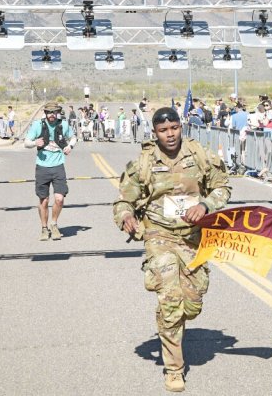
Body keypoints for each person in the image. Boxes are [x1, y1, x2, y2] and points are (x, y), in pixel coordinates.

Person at [112, 107, 231, 392]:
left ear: (181, 127)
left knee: (192, 302)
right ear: (155, 133)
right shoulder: (143, 163)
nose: (170, 134)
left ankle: (176, 316)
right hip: (159, 234)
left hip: (193, 237)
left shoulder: (199, 155)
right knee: (171, 300)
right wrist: (126, 217)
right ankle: (174, 368)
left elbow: (222, 187)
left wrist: (205, 205)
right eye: (164, 130)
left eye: (174, 128)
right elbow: (123, 201)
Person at [24, 102, 77, 241]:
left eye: (54, 112)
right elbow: (26, 142)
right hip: (42, 167)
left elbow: (73, 137)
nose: (52, 115)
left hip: (58, 166)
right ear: (46, 113)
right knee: (44, 200)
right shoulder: (38, 125)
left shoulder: (63, 125)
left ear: (58, 113)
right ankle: (44, 228)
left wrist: (70, 146)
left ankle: (53, 224)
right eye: (49, 112)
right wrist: (35, 143)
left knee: (59, 199)